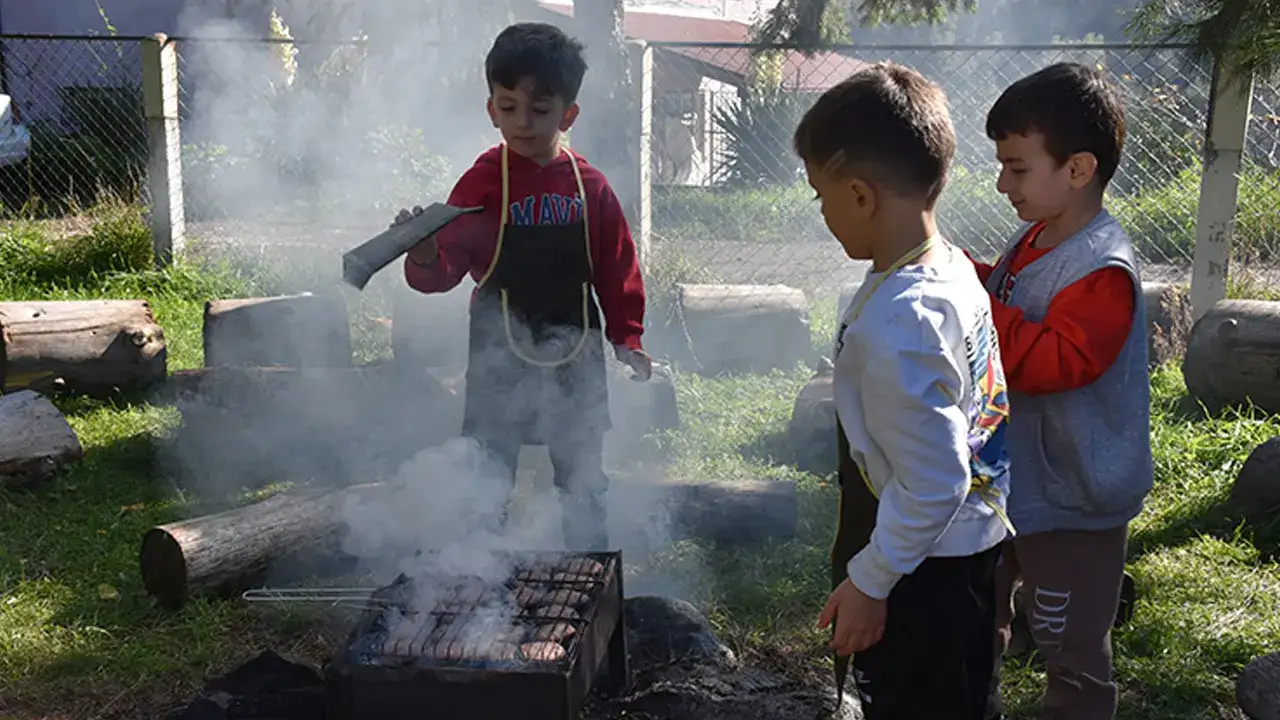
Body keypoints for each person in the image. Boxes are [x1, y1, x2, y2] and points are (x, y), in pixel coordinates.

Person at [797, 61, 1015, 720]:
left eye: (820, 193)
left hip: (927, 569)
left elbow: (933, 480)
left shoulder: (903, 324)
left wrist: (869, 580)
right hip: (969, 544)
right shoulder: (946, 265)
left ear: (860, 195)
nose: (822, 210)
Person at [393, 22, 652, 552]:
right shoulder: (482, 182)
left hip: (575, 348)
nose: (523, 122)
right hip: (498, 354)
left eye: (540, 108)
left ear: (568, 114)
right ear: (492, 109)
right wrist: (423, 254)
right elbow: (443, 271)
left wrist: (628, 336)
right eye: (509, 107)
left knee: (581, 473)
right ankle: (482, 568)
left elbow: (616, 265)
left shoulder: (590, 186)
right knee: (488, 469)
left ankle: (588, 567)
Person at [973, 62, 1154, 720]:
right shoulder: (1035, 237)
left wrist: (974, 303)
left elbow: (1055, 360)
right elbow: (1010, 295)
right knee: (978, 617)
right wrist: (967, 273)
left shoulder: (1103, 268)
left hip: (1077, 501)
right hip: (1018, 485)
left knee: (1069, 647)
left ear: (1077, 169)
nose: (1001, 183)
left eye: (1017, 168)